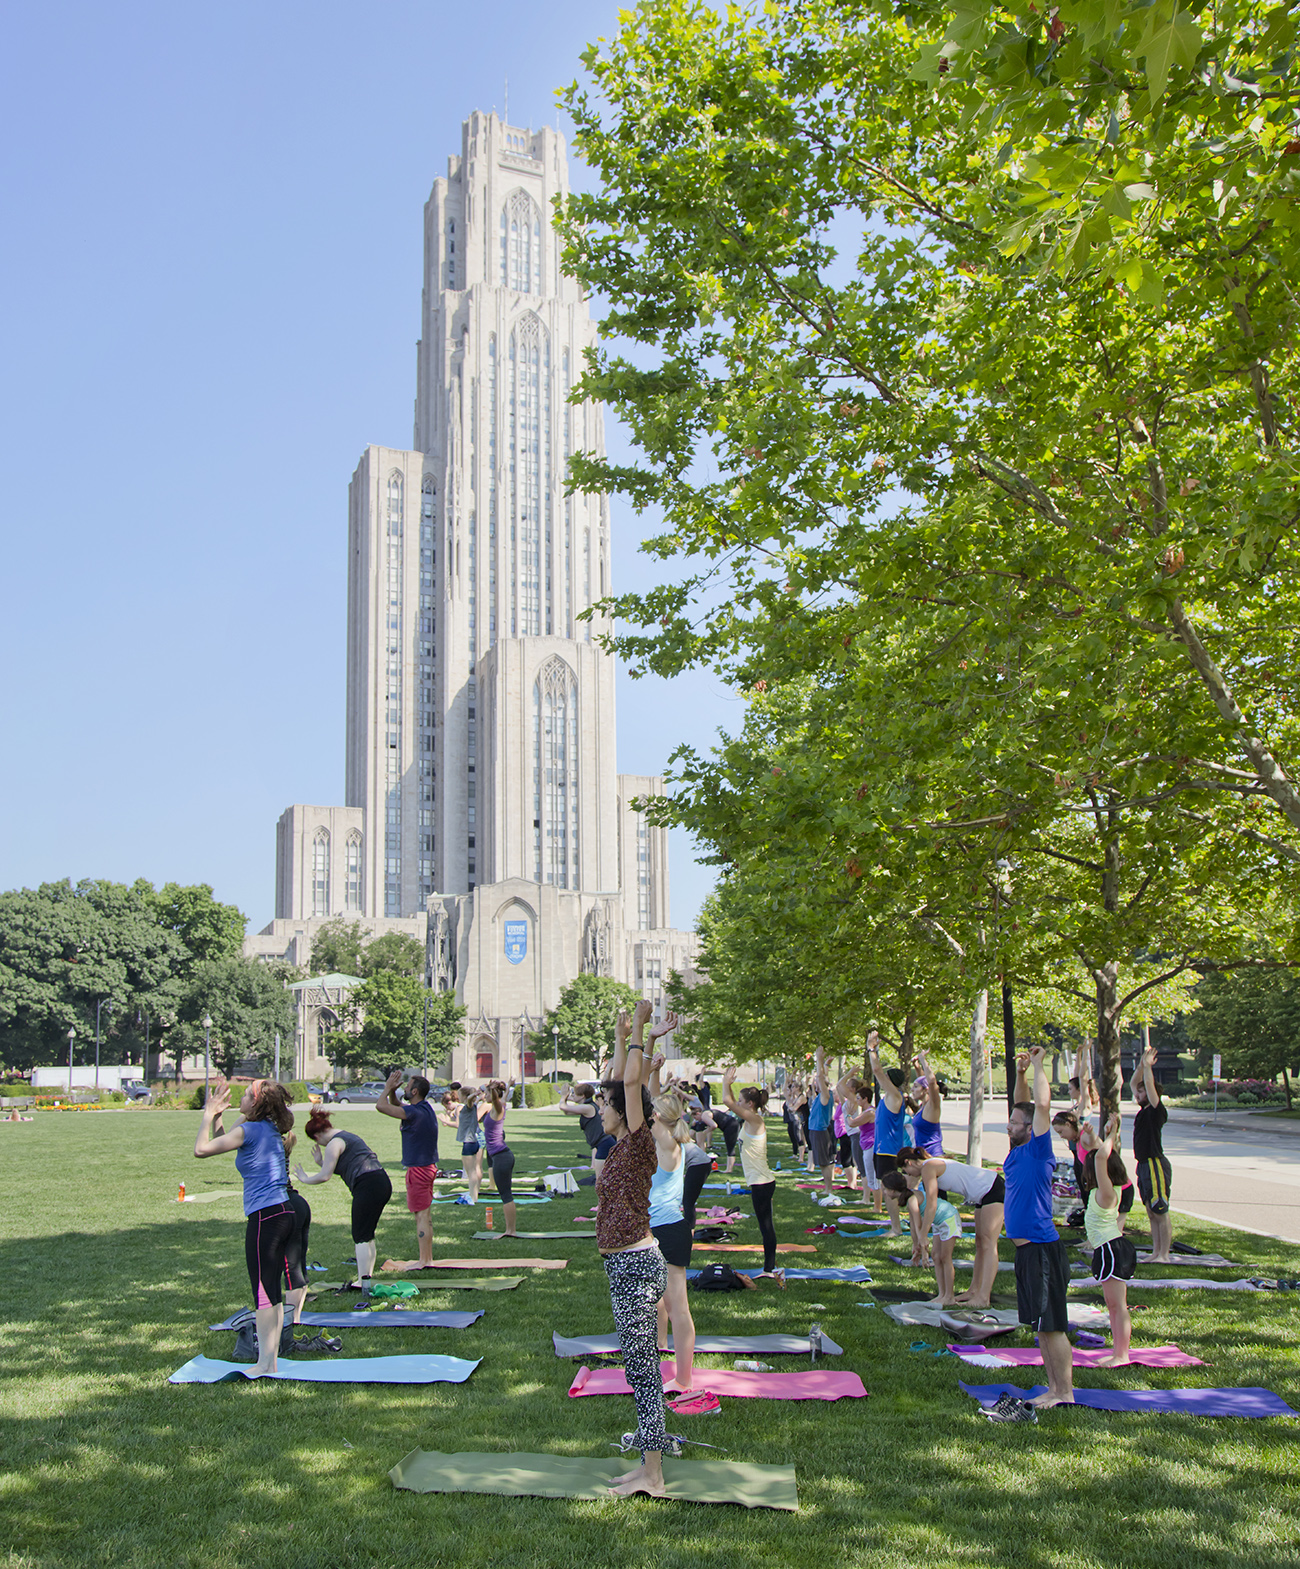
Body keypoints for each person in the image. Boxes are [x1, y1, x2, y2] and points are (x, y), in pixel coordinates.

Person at [599, 1000, 678, 1497]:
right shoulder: (622, 1146)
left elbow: (631, 1087)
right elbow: (624, 1080)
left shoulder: (639, 1143)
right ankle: (647, 1463)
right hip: (623, 1265)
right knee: (638, 1369)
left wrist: (640, 1030)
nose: (599, 1111)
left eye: (604, 1107)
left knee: (645, 1370)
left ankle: (653, 1473)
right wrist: (629, 1035)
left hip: (635, 1265)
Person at [194, 1080, 303, 1377]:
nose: (240, 1099)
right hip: (283, 1212)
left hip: (266, 1217)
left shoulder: (251, 1130)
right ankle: (271, 1360)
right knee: (272, 1292)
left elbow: (202, 1150)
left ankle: (265, 1363)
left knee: (264, 1294)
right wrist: (218, 1115)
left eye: (245, 1095)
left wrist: (206, 1114)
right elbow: (225, 1138)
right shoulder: (265, 1126)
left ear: (256, 1103)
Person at [1003, 1045, 1073, 1410]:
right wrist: (1020, 1073)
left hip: (1044, 1250)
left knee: (1053, 1325)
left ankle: (1065, 1392)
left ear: (1031, 1130)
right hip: (1027, 1252)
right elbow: (1025, 1104)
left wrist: (1041, 1066)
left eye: (1015, 1123)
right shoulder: (1016, 1149)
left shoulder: (1039, 1149)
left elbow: (1040, 1107)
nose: (1009, 1125)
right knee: (1042, 1328)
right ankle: (1053, 1387)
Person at [644, 1037, 696, 1393]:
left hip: (670, 1230)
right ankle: (662, 1348)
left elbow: (649, 1106)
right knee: (660, 1300)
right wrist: (655, 1072)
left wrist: (652, 1071)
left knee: (679, 1307)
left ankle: (684, 1379)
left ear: (661, 1118)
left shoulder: (667, 1143)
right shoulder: (668, 1139)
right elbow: (651, 1104)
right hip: (659, 1229)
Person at [294, 1110, 393, 1290]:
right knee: (367, 1234)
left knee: (360, 1235)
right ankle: (366, 1278)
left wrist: (304, 1179)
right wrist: (320, 1162)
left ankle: (363, 1282)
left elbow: (325, 1176)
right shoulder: (345, 1136)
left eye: (316, 1141)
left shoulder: (334, 1143)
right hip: (380, 1182)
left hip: (368, 1185)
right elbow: (344, 1166)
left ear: (317, 1135)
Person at [896, 1147, 1005, 1307]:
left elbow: (931, 1205)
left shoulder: (928, 1167)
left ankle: (983, 1298)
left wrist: (924, 1234)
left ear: (908, 1162)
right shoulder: (930, 1165)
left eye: (905, 1171)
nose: (909, 1175)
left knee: (988, 1244)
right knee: (980, 1243)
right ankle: (974, 1290)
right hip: (981, 1195)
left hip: (992, 1188)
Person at [1077, 1114, 1136, 1365]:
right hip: (1107, 1249)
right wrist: (1096, 1133)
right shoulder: (1099, 1192)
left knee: (1117, 1306)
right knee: (1113, 1306)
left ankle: (1121, 1355)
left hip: (1113, 1249)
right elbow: (1092, 1151)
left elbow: (1101, 1156)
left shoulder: (1107, 1192)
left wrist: (1113, 1135)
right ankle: (1118, 1352)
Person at [723, 1065, 784, 1286]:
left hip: (762, 1182)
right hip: (760, 1182)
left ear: (750, 1105)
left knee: (766, 1225)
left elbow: (728, 1102)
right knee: (764, 1224)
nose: (738, 1104)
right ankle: (770, 1265)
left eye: (742, 1101)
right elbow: (730, 1102)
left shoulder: (756, 1121)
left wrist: (725, 1082)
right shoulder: (750, 1119)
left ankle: (770, 1267)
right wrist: (728, 1088)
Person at [379, 1070, 440, 1268]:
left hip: (419, 1170)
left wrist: (388, 1087)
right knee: (425, 1215)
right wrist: (393, 1093)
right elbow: (398, 1105)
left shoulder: (414, 1112)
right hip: (428, 1167)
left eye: (407, 1087)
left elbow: (381, 1107)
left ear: (414, 1091)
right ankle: (427, 1258)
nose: (404, 1088)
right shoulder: (424, 1108)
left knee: (421, 1215)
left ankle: (424, 1261)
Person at [882, 1168, 963, 1305]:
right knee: (936, 1257)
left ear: (893, 1189)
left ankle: (949, 1296)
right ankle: (942, 1294)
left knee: (945, 1257)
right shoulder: (909, 1199)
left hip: (949, 1218)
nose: (884, 1192)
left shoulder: (912, 1199)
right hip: (939, 1223)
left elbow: (920, 1228)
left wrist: (924, 1253)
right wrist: (916, 1247)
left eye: (885, 1189)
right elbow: (913, 1227)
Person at [1131, 1041, 1174, 1262]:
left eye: (1142, 1092)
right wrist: (1140, 1065)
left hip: (1155, 1162)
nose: (1137, 1095)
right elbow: (1133, 1083)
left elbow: (1147, 1085)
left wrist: (1148, 1068)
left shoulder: (1157, 1111)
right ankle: (1156, 1251)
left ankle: (1164, 1254)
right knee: (1150, 1210)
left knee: (1159, 1209)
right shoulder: (1142, 1111)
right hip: (1144, 1164)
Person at [865, 1030, 908, 1234]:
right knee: (886, 1188)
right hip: (882, 1149)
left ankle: (896, 1228)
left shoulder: (894, 1096)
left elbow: (877, 1071)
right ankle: (895, 1226)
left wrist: (872, 1049)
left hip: (889, 1151)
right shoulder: (889, 1097)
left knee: (890, 1191)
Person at [482, 1078, 518, 1236]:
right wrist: (509, 1085)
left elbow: (497, 1098)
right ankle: (510, 1229)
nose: (484, 1096)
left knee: (505, 1194)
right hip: (500, 1156)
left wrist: (493, 1089)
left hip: (501, 1157)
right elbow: (503, 1096)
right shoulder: (498, 1106)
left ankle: (511, 1230)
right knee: (505, 1193)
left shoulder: (498, 1108)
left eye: (486, 1093)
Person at [561, 1082, 610, 1175]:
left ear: (582, 1096)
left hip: (604, 1144)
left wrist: (563, 1096)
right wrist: (565, 1097)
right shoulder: (589, 1105)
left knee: (600, 1178)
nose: (573, 1096)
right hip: (601, 1144)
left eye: (574, 1094)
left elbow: (563, 1107)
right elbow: (566, 1112)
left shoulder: (588, 1107)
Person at [807, 1044, 836, 1198]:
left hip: (820, 1131)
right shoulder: (822, 1095)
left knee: (825, 1162)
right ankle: (827, 1188)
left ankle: (828, 1189)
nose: (816, 1082)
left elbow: (820, 1078)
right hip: (817, 1130)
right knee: (823, 1161)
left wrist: (819, 1059)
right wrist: (826, 1065)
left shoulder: (826, 1096)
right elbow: (821, 1078)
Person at [848, 1083, 882, 1214]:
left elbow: (852, 1123)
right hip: (867, 1146)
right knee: (871, 1176)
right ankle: (876, 1206)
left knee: (872, 1177)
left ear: (865, 1099)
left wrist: (848, 1115)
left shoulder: (870, 1113)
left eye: (858, 1098)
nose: (856, 1101)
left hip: (870, 1147)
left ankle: (877, 1208)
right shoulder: (867, 1112)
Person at [910, 1051, 946, 1158]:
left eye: (915, 1087)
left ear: (926, 1090)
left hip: (934, 1156)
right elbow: (924, 1080)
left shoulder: (933, 1105)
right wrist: (916, 1066)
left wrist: (922, 1059)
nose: (912, 1089)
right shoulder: (923, 1106)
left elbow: (930, 1081)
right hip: (923, 1155)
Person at [453, 1087, 485, 1202]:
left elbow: (471, 1100)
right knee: (472, 1171)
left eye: (459, 1095)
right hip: (472, 1142)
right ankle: (474, 1195)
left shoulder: (468, 1107)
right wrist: (478, 1096)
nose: (458, 1097)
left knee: (470, 1172)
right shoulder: (472, 1106)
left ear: (464, 1097)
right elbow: (474, 1100)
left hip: (469, 1143)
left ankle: (473, 1197)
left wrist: (473, 1095)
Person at [782, 1078, 808, 1162]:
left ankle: (801, 1158)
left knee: (800, 1138)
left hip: (805, 1120)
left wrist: (790, 1106)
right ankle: (800, 1157)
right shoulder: (796, 1097)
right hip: (802, 1120)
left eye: (793, 1086)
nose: (791, 1088)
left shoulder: (801, 1097)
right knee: (798, 1137)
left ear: (797, 1088)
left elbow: (794, 1108)